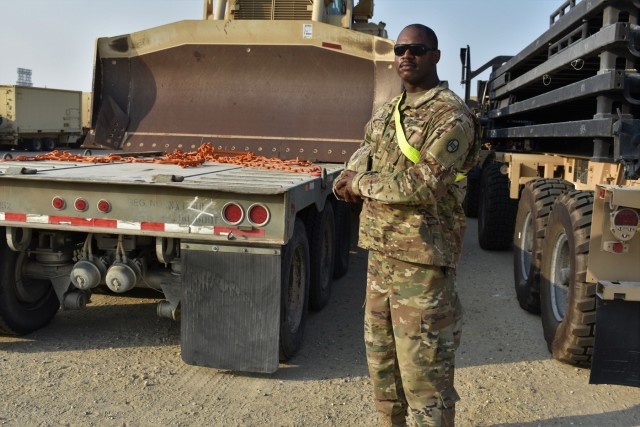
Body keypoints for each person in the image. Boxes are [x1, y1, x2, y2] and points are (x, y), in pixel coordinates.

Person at [333, 24, 480, 427]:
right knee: (383, 367)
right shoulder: (388, 112)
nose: (406, 56)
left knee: (425, 373)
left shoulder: (452, 116)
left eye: (417, 49)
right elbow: (360, 158)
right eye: (400, 48)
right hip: (381, 255)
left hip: (422, 264)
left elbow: (425, 184)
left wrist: (359, 184)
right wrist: (344, 178)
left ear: (435, 55)